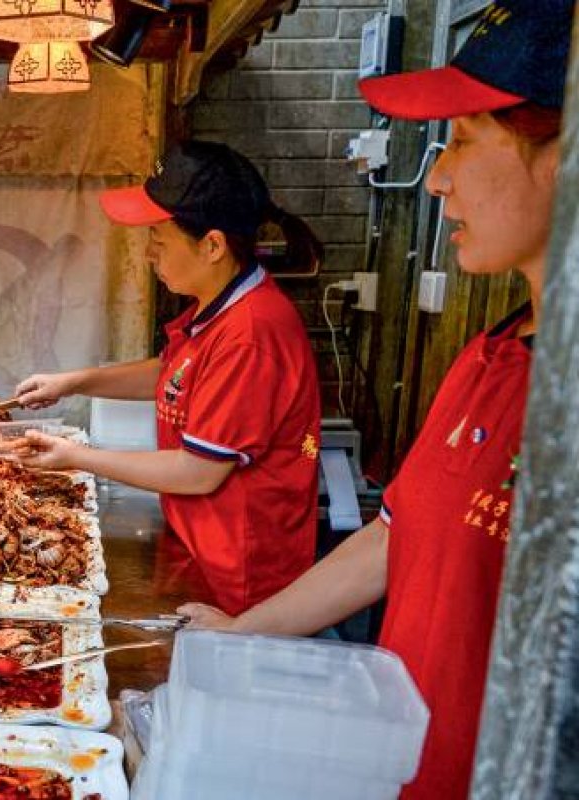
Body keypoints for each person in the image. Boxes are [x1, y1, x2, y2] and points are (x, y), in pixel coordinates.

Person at [175, 2, 570, 797]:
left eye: (463, 139)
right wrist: (242, 638)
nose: (439, 176)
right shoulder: (487, 357)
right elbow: (394, 540)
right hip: (398, 769)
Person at [15, 140, 323, 617]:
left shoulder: (251, 333)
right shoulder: (218, 309)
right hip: (202, 547)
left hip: (242, 578)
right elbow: (173, 374)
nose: (149, 255)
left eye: (158, 240)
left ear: (213, 245)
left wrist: (76, 457)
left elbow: (199, 471)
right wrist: (75, 381)